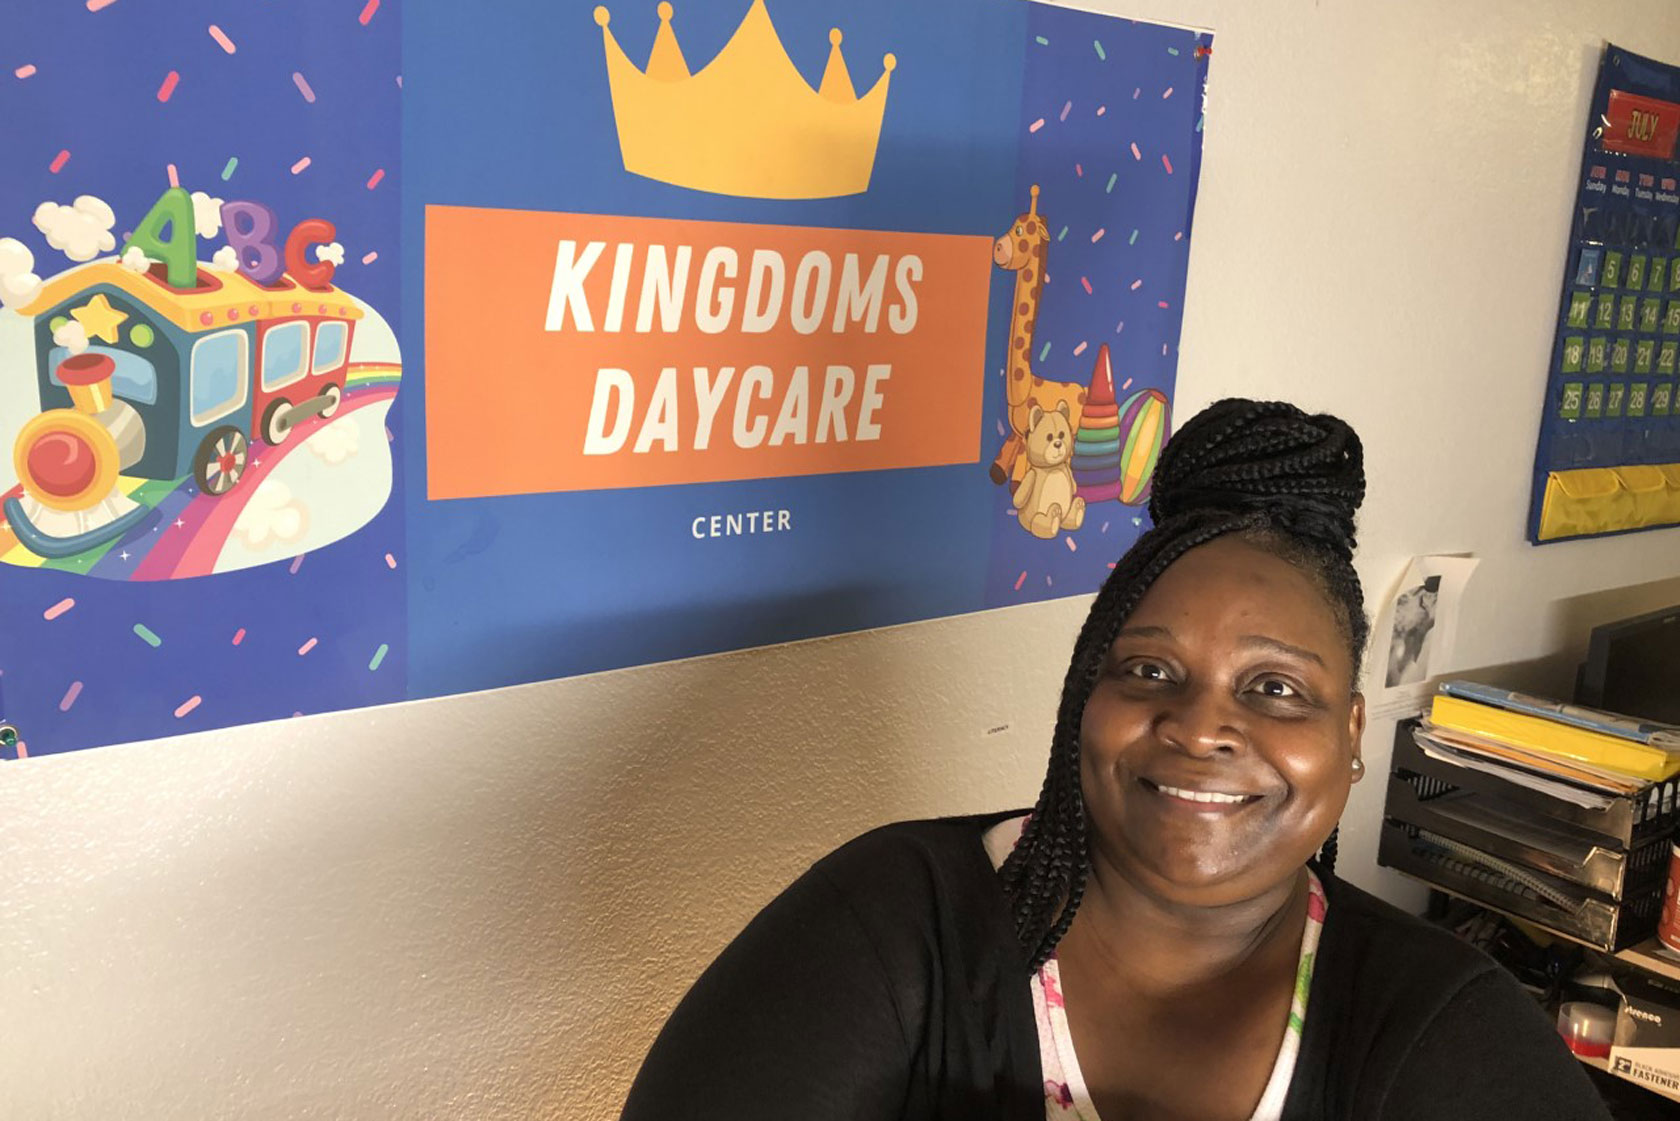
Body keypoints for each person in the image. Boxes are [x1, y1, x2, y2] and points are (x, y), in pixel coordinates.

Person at [620, 400, 1612, 1121]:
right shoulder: (895, 927)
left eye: (1275, 687)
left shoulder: (1437, 1024)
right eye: (1149, 669)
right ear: (1083, 697)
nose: (1200, 727)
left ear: (1351, 736)